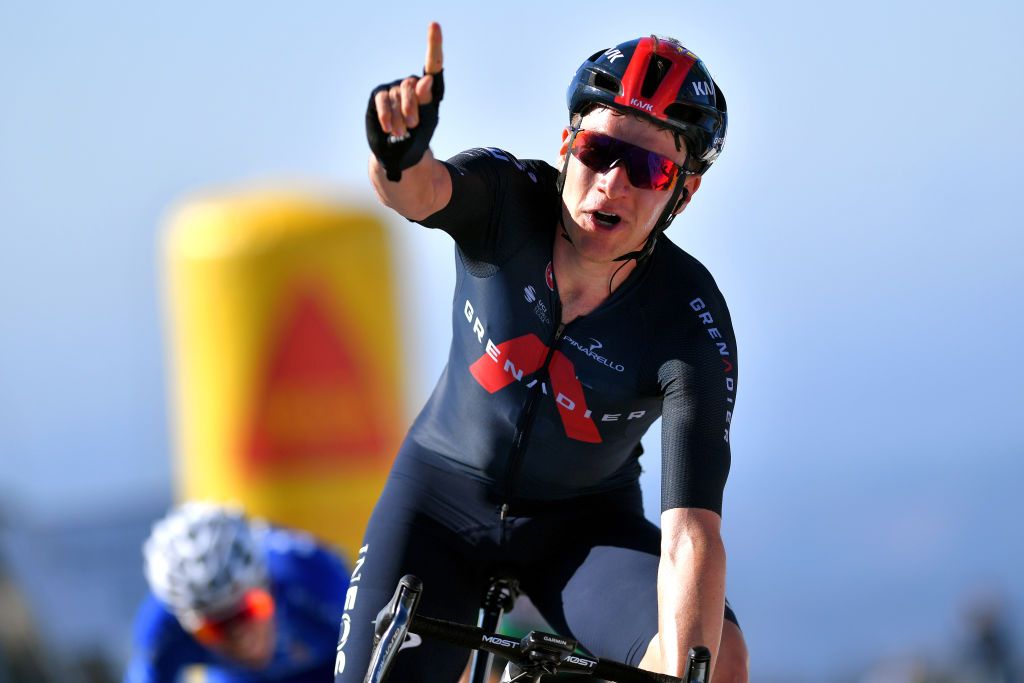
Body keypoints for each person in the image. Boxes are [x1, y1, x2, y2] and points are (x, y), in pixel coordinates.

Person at [334, 22, 749, 683]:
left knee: (715, 659)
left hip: (582, 531)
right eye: (597, 151)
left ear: (683, 192)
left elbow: (692, 532)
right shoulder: (506, 201)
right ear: (566, 145)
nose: (612, 183)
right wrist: (395, 152)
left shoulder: (688, 318)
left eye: (648, 168)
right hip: (440, 500)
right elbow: (419, 190)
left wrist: (689, 671)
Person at [124, 501, 349, 683]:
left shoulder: (306, 573)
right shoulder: (162, 626)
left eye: (250, 610)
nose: (241, 638)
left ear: (267, 583)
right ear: (186, 622)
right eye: (214, 627)